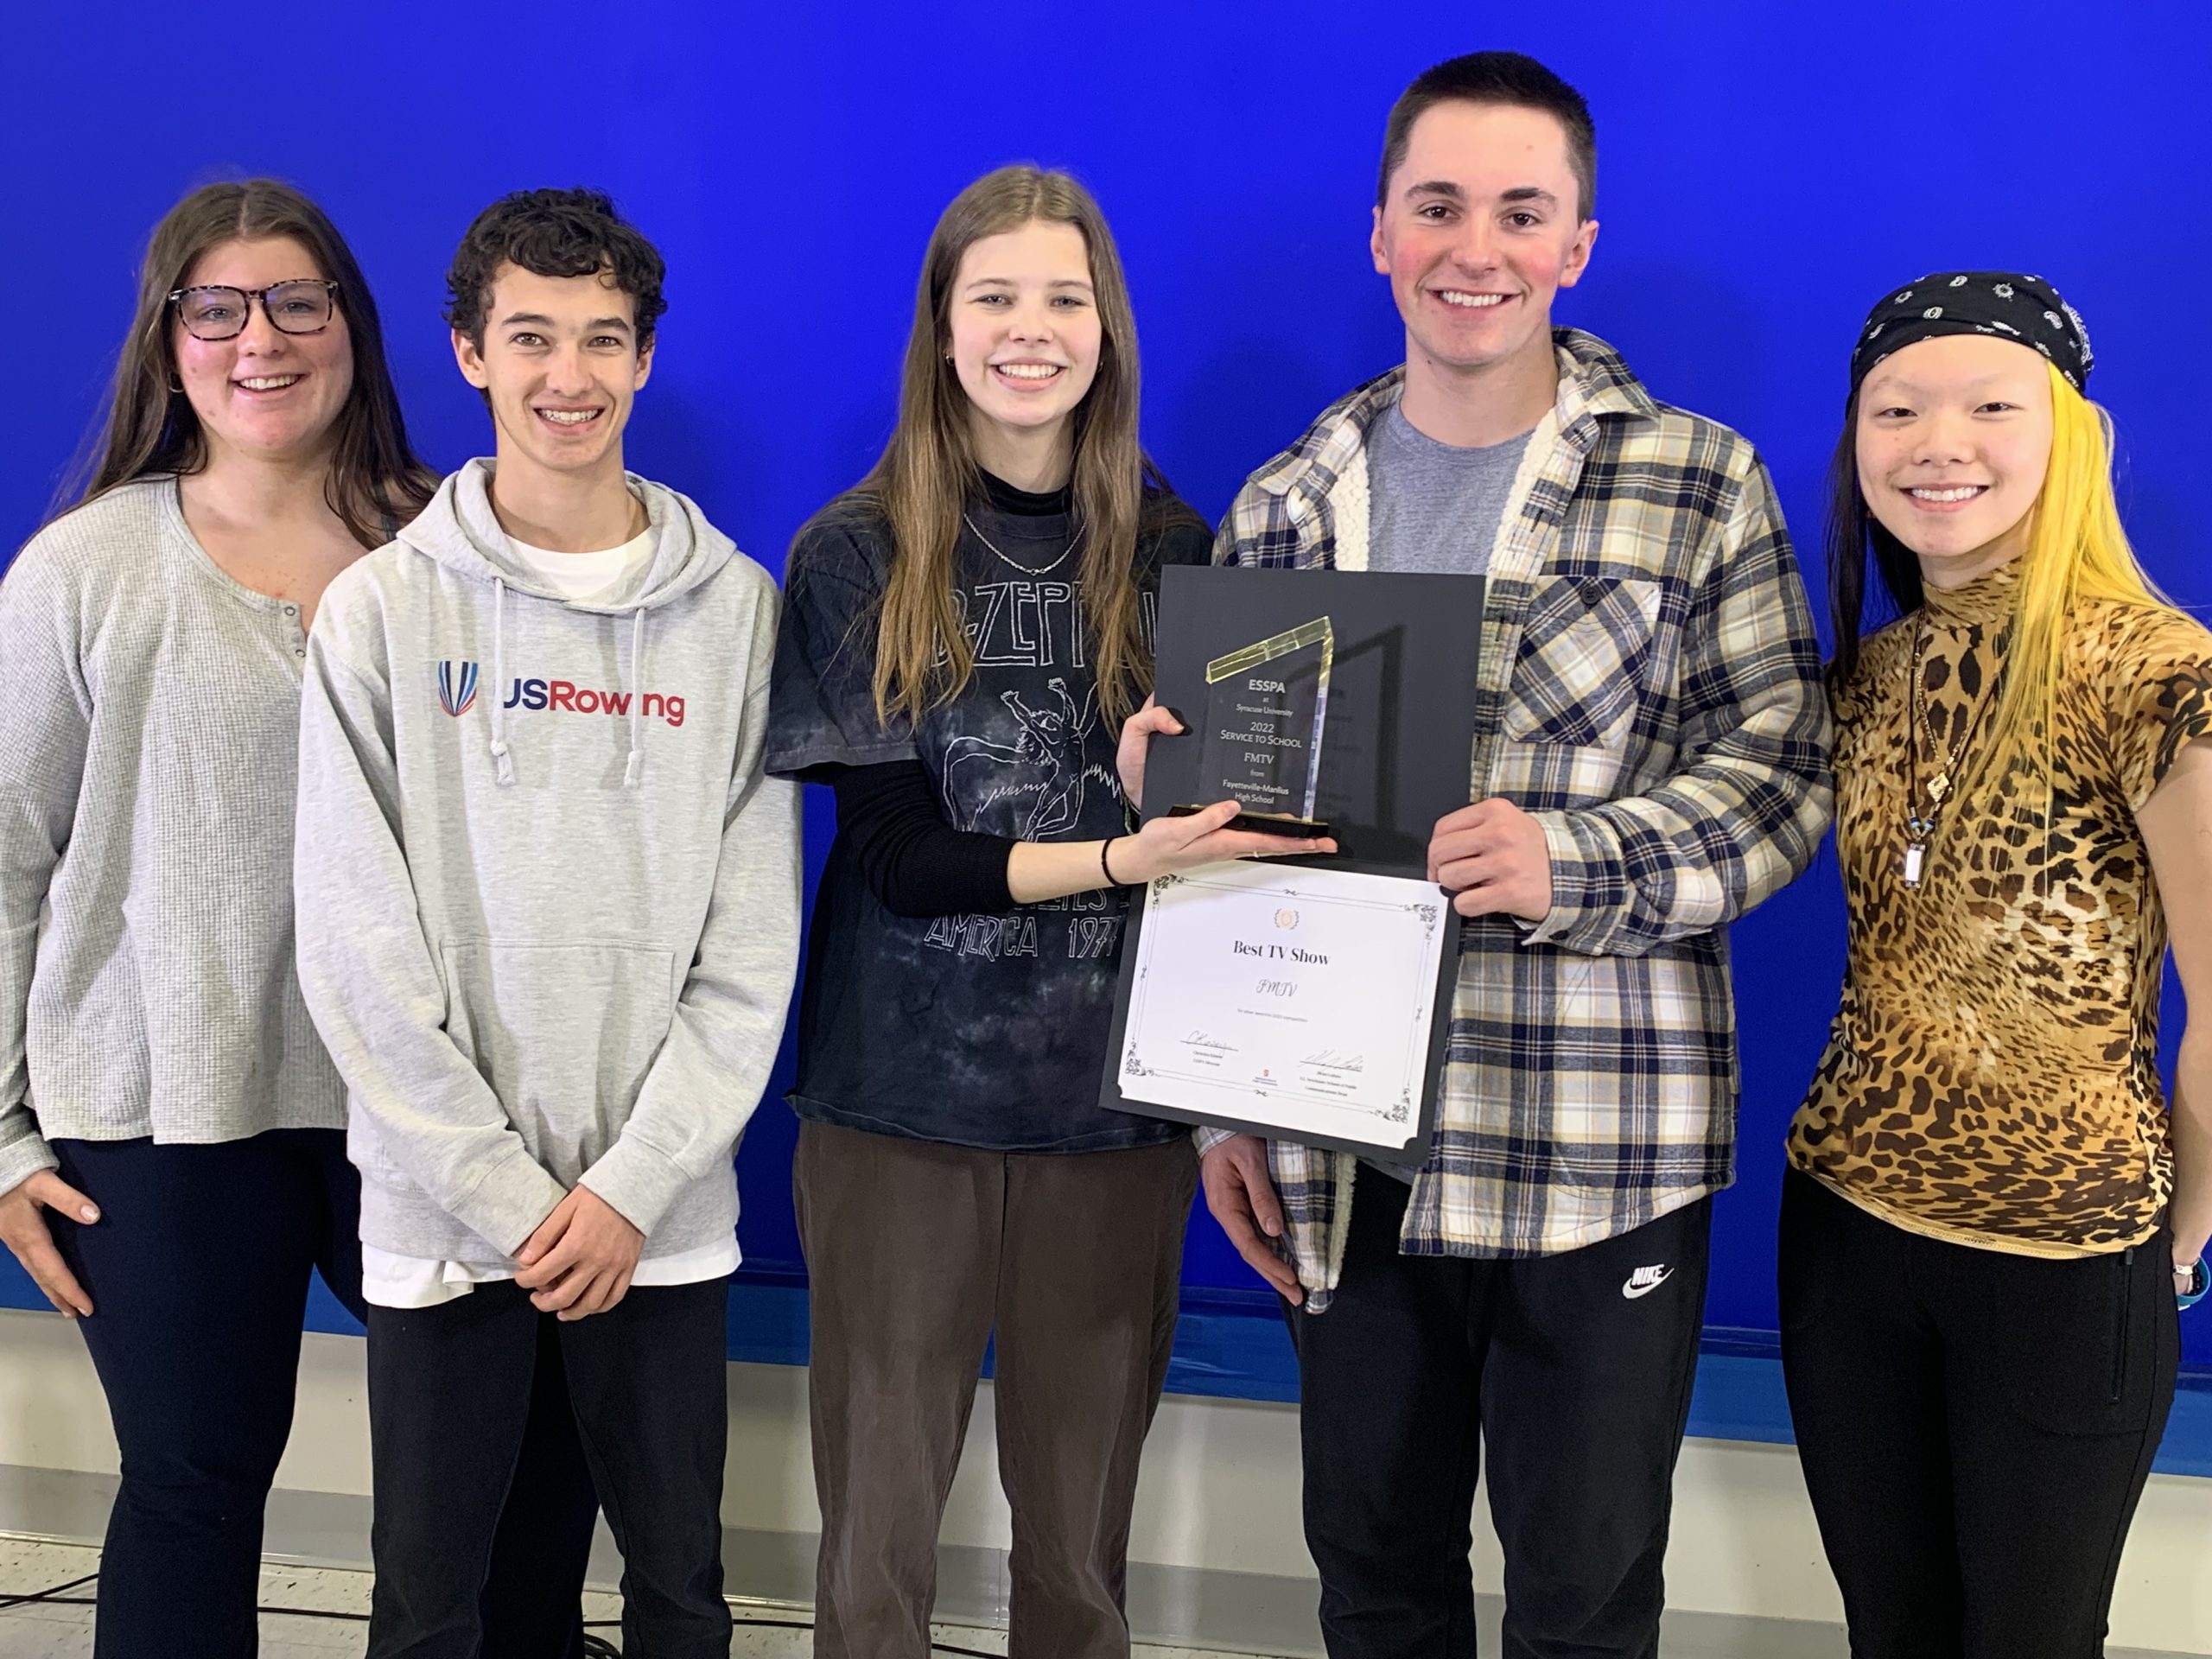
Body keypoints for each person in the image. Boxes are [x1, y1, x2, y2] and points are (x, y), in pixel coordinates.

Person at [1166, 52, 1834, 1658]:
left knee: (1584, 1598)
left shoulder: (1696, 479)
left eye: (1521, 212)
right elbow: (1236, 846)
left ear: (1578, 244)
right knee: (1375, 1583)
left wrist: (1575, 863)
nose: (1480, 247)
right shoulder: (1283, 506)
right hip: (1346, 1147)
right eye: (1440, 206)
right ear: (1380, 234)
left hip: (1598, 1141)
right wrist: (1220, 1107)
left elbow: (1786, 773)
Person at [0, 179, 601, 1659]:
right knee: (194, 1488)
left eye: (295, 303)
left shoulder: (454, 549)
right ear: (170, 339)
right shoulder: (85, 569)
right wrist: (2, 1139)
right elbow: (6, 856)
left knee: (519, 1475)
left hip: (421, 1102)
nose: (258, 340)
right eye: (217, 308)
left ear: (352, 327)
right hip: (161, 1113)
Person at [766, 164, 1328, 1659]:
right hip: (897, 1109)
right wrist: (1117, 857)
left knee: (1080, 1564)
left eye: (1064, 298)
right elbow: (894, 853)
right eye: (994, 297)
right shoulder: (855, 554)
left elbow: (1229, 861)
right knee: (874, 1556)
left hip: (1110, 1119)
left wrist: (1224, 1107)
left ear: (1109, 328)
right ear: (942, 330)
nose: (1032, 329)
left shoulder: (1184, 558)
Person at [293, 187, 799, 1659]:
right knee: (434, 1609)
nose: (566, 375)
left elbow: (750, 941)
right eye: (530, 337)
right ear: (468, 356)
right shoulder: (380, 612)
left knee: (679, 1601)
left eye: (600, 339)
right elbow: (353, 945)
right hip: (449, 1225)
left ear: (645, 360)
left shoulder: (738, 614)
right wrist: (515, 1207)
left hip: (660, 1220)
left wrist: (630, 1188)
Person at [1780, 273, 2212, 1657]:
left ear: (2070, 433)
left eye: (1989, 404)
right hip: (1844, 1228)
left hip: (2065, 1251)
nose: (1937, 441)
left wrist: (2179, 1241)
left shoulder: (2155, 671)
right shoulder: (1870, 673)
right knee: (1889, 1630)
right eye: (1896, 409)